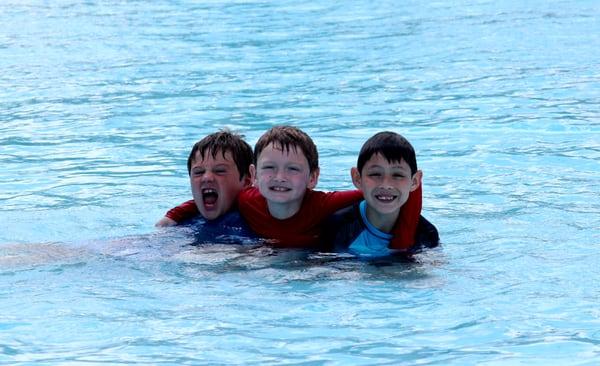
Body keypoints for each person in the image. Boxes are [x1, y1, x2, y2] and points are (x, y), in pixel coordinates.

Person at [162, 126, 423, 249]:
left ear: (313, 178)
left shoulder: (323, 204)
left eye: (293, 169)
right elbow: (216, 197)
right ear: (254, 175)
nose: (279, 177)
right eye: (269, 168)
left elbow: (389, 191)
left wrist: (402, 242)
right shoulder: (247, 200)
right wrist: (172, 217)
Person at [322, 131, 439, 258]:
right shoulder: (338, 227)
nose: (386, 184)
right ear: (357, 178)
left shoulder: (426, 234)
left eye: (397, 175)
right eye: (375, 174)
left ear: (415, 181)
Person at [156, 129, 257, 243]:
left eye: (220, 171)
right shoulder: (183, 222)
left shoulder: (257, 221)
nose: (206, 178)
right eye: (198, 172)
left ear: (247, 180)